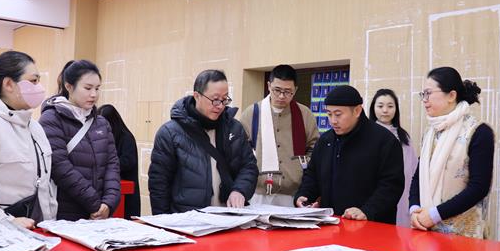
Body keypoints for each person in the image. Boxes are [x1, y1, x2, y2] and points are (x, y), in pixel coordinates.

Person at [149, 70, 258, 214]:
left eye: (225, 99)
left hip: (229, 217)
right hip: (188, 219)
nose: (220, 105)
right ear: (197, 96)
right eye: (215, 99)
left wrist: (240, 190)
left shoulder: (234, 128)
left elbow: (249, 166)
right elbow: (159, 184)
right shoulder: (170, 133)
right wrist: (163, 221)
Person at [294, 85, 404, 223]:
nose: (333, 120)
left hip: (371, 225)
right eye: (329, 114)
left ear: (357, 111)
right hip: (331, 223)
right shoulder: (325, 141)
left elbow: (391, 186)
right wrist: (304, 196)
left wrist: (367, 211)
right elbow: (312, 175)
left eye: (338, 114)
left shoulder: (384, 141)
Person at [408, 66, 494, 238]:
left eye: (428, 93)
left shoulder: (478, 131)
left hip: (463, 236)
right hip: (425, 229)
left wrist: (434, 215)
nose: (424, 100)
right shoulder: (430, 132)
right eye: (423, 94)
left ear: (451, 96)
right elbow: (418, 176)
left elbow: (479, 187)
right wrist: (415, 210)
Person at [39, 60, 120, 221]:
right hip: (64, 212)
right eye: (88, 88)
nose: (94, 94)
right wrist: (94, 204)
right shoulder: (51, 119)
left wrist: (109, 202)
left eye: (97, 88)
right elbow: (59, 166)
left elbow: (112, 164)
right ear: (69, 87)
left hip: (99, 214)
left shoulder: (101, 122)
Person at [0, 51, 57, 228]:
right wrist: (5, 221)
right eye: (33, 81)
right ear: (9, 84)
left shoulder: (33, 126)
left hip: (36, 229)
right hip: (1, 232)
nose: (39, 88)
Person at [239, 65, 319, 206]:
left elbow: (315, 149)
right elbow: (239, 151)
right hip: (257, 193)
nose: (282, 96)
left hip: (294, 194)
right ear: (269, 86)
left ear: (295, 90)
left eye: (288, 92)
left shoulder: (304, 114)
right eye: (277, 90)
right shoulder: (252, 113)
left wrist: (299, 168)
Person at [369, 88, 418, 227]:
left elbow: (413, 167)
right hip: (377, 191)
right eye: (380, 106)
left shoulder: (403, 136)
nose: (385, 110)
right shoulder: (367, 135)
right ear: (373, 108)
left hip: (403, 190)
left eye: (390, 106)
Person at [99, 104, 141, 218]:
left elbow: (128, 161)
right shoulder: (106, 136)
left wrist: (108, 164)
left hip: (126, 191)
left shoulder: (126, 137)